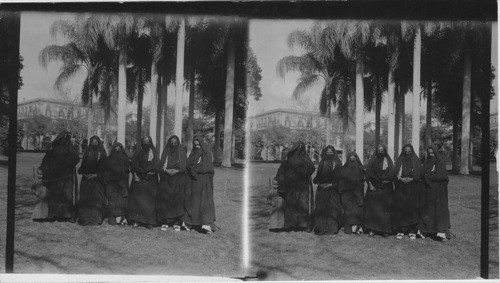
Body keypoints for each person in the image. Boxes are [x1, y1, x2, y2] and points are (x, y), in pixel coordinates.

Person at [39, 130, 80, 222]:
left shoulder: (71, 148)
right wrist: (44, 170)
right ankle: (56, 214)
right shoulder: (53, 147)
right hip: (56, 176)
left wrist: (67, 165)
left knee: (66, 195)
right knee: (56, 195)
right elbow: (47, 160)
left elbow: (76, 159)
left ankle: (66, 214)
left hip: (67, 176)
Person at [276, 141, 315, 232]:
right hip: (291, 185)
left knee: (303, 204)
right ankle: (290, 224)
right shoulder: (289, 159)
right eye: (297, 148)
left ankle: (303, 224)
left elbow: (311, 168)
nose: (299, 150)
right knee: (291, 204)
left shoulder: (306, 158)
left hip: (303, 186)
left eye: (301, 148)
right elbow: (283, 171)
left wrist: (303, 173)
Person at [418, 145, 451, 241]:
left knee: (439, 211)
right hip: (427, 191)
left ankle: (441, 233)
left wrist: (428, 177)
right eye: (429, 153)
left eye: (432, 153)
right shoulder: (426, 162)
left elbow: (442, 176)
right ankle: (425, 231)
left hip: (438, 192)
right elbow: (422, 174)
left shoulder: (440, 163)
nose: (431, 155)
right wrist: (426, 177)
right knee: (427, 210)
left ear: (436, 153)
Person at [183, 137, 216, 234]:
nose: (197, 147)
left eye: (199, 145)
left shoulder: (207, 154)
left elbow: (208, 168)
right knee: (193, 202)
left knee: (204, 203)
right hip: (193, 183)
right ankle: (190, 222)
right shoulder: (193, 154)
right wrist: (192, 170)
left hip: (203, 182)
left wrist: (195, 170)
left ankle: (206, 225)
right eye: (195, 145)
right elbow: (188, 166)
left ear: (202, 145)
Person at [392, 144, 424, 240]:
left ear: (412, 151)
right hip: (401, 188)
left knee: (412, 209)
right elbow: (396, 173)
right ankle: (400, 230)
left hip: (413, 188)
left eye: (409, 151)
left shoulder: (416, 160)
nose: (407, 153)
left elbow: (419, 173)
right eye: (405, 151)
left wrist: (411, 179)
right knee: (401, 208)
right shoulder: (400, 160)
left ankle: (412, 230)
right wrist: (401, 179)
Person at [157, 135, 188, 231]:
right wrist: (166, 171)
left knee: (177, 201)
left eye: (175, 143)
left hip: (178, 179)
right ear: (169, 144)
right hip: (166, 179)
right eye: (171, 143)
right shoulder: (166, 152)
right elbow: (161, 165)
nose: (173, 145)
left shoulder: (181, 152)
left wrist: (176, 171)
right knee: (165, 200)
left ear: (178, 143)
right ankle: (165, 222)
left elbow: (184, 166)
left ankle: (176, 222)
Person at [129, 136, 159, 228]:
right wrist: (135, 176)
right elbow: (133, 165)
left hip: (151, 179)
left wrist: (153, 172)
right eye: (144, 142)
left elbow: (157, 164)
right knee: (138, 201)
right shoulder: (138, 152)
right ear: (142, 142)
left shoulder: (154, 152)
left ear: (151, 142)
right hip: (139, 179)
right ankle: (137, 220)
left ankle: (149, 221)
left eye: (148, 141)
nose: (146, 143)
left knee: (149, 201)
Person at [312, 145, 343, 235]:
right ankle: (320, 227)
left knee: (331, 209)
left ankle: (331, 228)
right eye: (327, 152)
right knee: (321, 208)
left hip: (332, 190)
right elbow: (318, 175)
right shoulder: (323, 162)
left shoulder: (337, 163)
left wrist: (331, 185)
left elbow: (339, 177)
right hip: (321, 189)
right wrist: (320, 183)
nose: (329, 154)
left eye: (331, 152)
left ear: (334, 153)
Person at [364, 144, 394, 237]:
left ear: (385, 151)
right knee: (373, 209)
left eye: (382, 150)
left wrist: (388, 180)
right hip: (374, 187)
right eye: (379, 150)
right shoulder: (373, 160)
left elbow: (392, 172)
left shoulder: (388, 161)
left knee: (385, 209)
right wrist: (370, 184)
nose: (380, 152)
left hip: (386, 188)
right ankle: (372, 229)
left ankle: (385, 230)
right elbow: (368, 173)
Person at [77, 136, 107, 226]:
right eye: (92, 142)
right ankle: (85, 218)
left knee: (96, 200)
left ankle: (95, 219)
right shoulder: (87, 152)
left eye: (96, 142)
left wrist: (96, 175)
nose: (94, 143)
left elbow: (104, 168)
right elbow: (83, 166)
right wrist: (85, 174)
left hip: (97, 181)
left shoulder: (102, 153)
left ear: (99, 143)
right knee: (85, 200)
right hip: (86, 180)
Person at [102, 142, 130, 226]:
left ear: (122, 149)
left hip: (121, 183)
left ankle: (122, 218)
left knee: (121, 201)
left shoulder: (125, 158)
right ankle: (112, 219)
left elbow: (127, 170)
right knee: (112, 201)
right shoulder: (109, 159)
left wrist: (122, 178)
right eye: (115, 148)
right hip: (112, 183)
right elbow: (106, 171)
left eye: (119, 148)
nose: (117, 150)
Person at [339, 152, 365, 235]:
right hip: (346, 192)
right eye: (350, 158)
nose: (352, 159)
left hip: (357, 192)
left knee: (357, 211)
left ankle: (357, 227)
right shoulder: (344, 168)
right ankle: (348, 228)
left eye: (354, 158)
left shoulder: (360, 168)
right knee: (348, 210)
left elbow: (362, 181)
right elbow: (341, 181)